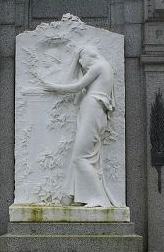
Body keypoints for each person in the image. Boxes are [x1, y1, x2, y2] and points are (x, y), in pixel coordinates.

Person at [43, 45, 118, 207]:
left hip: (93, 111)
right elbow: (79, 95)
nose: (80, 64)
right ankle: (78, 196)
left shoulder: (99, 65)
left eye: (80, 60)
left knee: (80, 157)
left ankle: (99, 200)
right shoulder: (103, 70)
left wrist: (53, 87)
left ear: (88, 56)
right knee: (82, 157)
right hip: (92, 111)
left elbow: (76, 87)